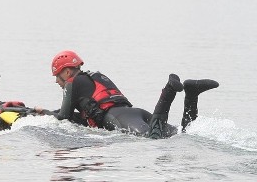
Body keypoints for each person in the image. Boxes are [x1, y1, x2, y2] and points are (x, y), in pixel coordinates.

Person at [34, 50, 219, 138]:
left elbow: (63, 117)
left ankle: (169, 90)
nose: (56, 81)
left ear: (67, 72)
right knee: (183, 134)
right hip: (136, 113)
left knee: (152, 138)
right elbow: (84, 115)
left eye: (57, 76)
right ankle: (191, 94)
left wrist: (44, 112)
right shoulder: (95, 77)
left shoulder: (71, 84)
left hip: (119, 119)